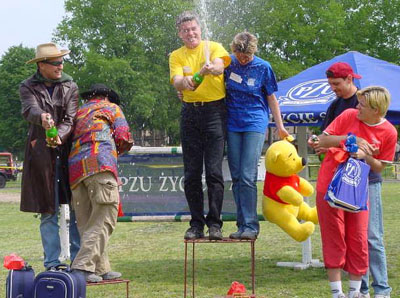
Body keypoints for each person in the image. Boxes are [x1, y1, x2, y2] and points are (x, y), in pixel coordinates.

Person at [308, 86, 397, 298]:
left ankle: (358, 292)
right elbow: (321, 141)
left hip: (358, 190)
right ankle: (337, 292)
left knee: (360, 238)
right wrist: (351, 140)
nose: (357, 107)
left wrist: (364, 156)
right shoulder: (348, 115)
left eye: (363, 105)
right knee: (334, 237)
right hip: (330, 185)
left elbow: (380, 167)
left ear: (376, 110)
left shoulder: (389, 132)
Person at [169, 11, 231, 240]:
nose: (190, 33)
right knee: (192, 173)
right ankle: (196, 224)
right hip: (190, 114)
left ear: (200, 29)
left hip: (215, 111)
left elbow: (218, 67)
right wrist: (196, 76)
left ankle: (215, 223)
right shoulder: (176, 56)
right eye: (185, 30)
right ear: (180, 34)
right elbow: (180, 83)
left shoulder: (214, 47)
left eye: (193, 29)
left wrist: (209, 69)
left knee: (214, 171)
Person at [20, 42, 80, 269]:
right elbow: (29, 109)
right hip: (41, 155)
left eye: (62, 61)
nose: (60, 66)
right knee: (48, 211)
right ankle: (53, 263)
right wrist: (42, 118)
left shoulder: (70, 86)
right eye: (55, 62)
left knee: (76, 209)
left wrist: (60, 136)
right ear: (41, 65)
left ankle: (78, 261)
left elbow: (71, 119)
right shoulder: (27, 86)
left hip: (68, 153)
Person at [224, 32, 289, 240]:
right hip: (233, 122)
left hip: (254, 122)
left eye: (247, 57)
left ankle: (251, 225)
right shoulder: (227, 63)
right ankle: (241, 223)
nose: (243, 60)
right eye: (239, 56)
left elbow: (272, 99)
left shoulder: (263, 67)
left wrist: (280, 126)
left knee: (247, 174)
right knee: (236, 176)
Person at [68, 84, 133, 282]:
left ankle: (101, 268)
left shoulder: (79, 112)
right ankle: (82, 267)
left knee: (89, 222)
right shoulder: (111, 108)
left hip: (76, 170)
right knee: (105, 216)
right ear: (107, 97)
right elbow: (122, 135)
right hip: (99, 164)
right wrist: (118, 151)